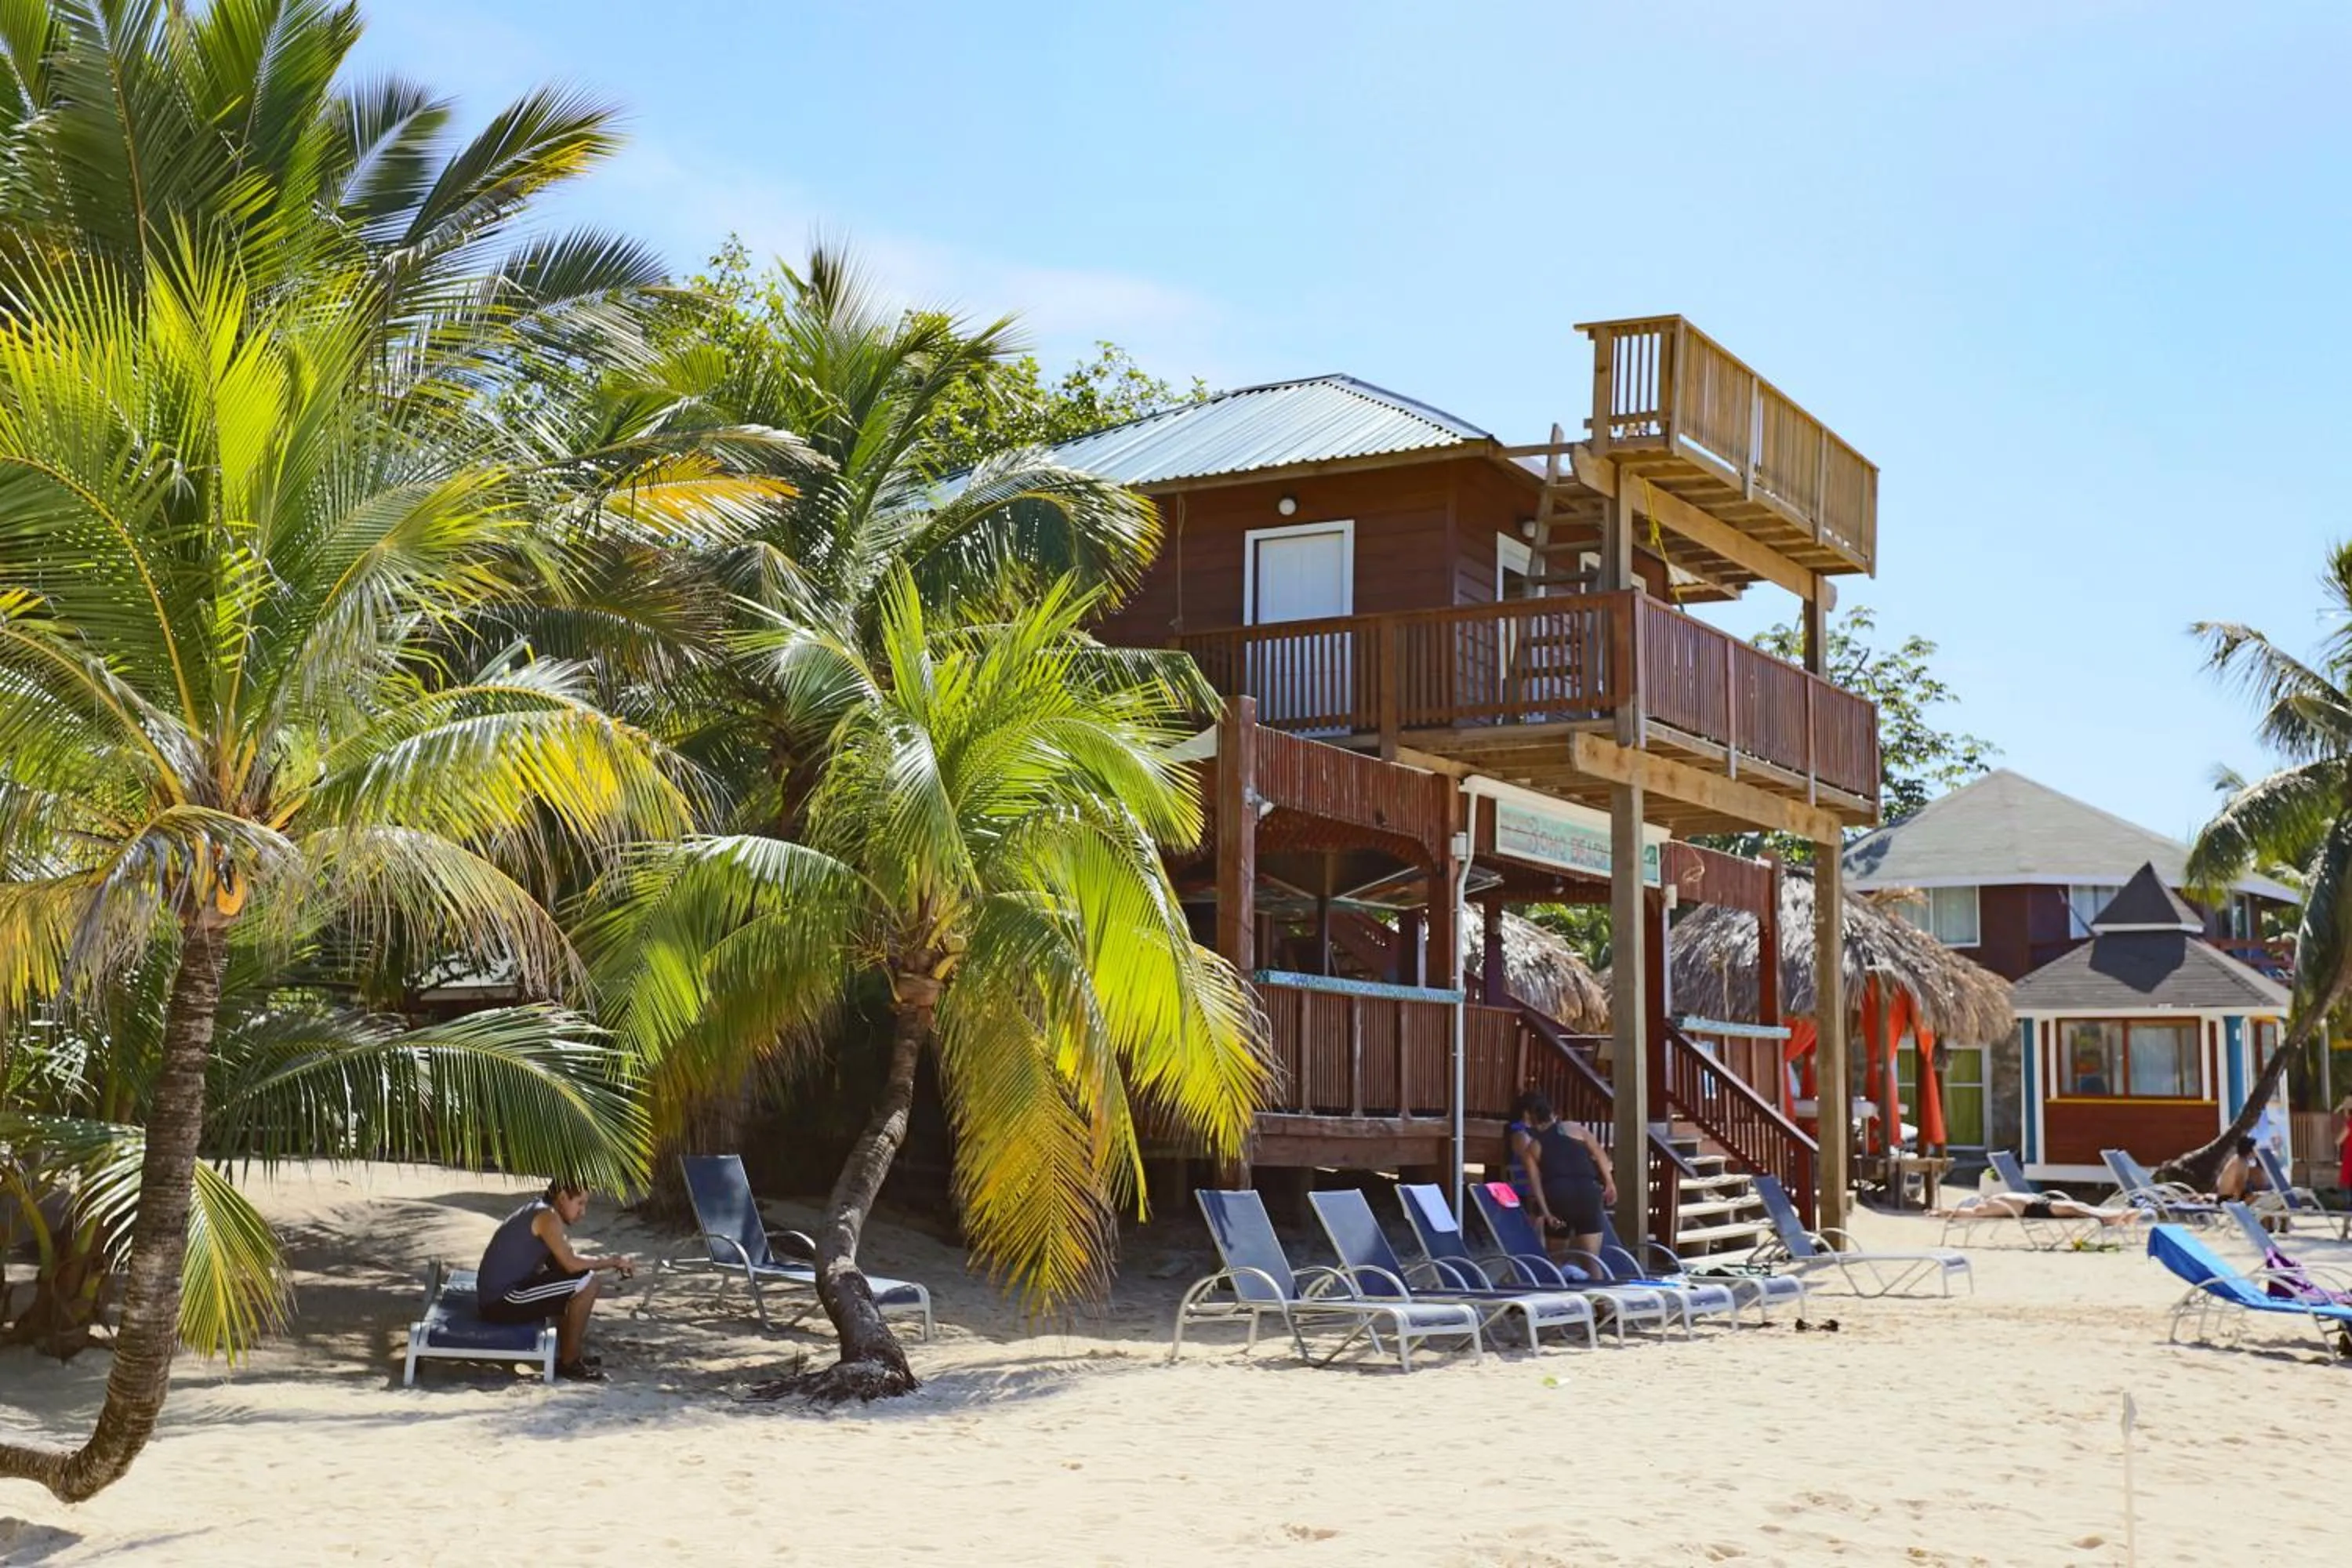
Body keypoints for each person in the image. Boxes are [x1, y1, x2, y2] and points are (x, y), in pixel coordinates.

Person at [475, 1178, 636, 1381]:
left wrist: (605, 1266)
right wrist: (614, 1261)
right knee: (589, 1284)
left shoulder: (542, 1210)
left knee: (575, 1283)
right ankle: (569, 1363)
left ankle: (569, 1353)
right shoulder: (547, 1217)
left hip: (500, 1296)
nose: (583, 1212)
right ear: (561, 1197)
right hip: (502, 1301)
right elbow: (570, 1263)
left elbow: (563, 1265)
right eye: (579, 1203)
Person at [1505, 1091, 1613, 1264]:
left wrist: (1547, 1212)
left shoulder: (1531, 1143)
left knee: (1556, 1258)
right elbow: (1600, 1154)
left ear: (1528, 1116)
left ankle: (1554, 1280)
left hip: (1556, 1198)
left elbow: (1536, 1182)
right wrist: (1610, 1183)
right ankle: (1593, 1285)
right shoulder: (1575, 1129)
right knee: (1592, 1261)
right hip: (1588, 1193)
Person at [1940, 1192, 2141, 1227]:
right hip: (2036, 1209)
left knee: (2078, 1206)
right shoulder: (1986, 1207)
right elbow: (1972, 1213)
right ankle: (2111, 1218)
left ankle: (2115, 1216)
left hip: (2041, 1202)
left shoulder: (1994, 1199)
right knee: (2074, 1207)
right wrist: (1946, 1212)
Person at [2216, 1136, 2265, 1204]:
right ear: (2250, 1151)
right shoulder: (2241, 1162)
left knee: (2258, 1196)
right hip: (2227, 1199)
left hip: (2226, 1197)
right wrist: (2236, 1200)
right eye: (2255, 1149)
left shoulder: (2237, 1158)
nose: (2257, 1152)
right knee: (2261, 1198)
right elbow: (2239, 1183)